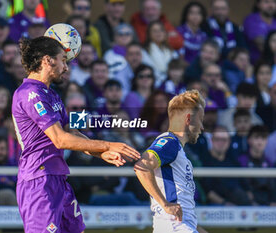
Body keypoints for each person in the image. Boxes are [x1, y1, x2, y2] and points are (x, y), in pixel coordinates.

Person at [12, 36, 140, 233]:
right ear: (47, 60)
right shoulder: (29, 93)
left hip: (58, 178)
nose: (66, 67)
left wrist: (99, 153)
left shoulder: (51, 93)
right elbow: (60, 139)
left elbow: (72, 132)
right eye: (63, 60)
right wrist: (106, 145)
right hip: (38, 181)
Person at [134, 89, 207, 233]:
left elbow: (182, 206)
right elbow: (142, 166)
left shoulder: (177, 149)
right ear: (188, 119)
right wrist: (165, 204)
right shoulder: (169, 142)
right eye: (201, 120)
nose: (202, 127)